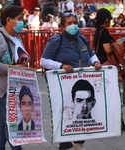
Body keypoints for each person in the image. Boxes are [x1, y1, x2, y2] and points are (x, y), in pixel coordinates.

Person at [40, 10, 101, 150]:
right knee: (67, 113)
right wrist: (61, 66)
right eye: (69, 23)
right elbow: (43, 61)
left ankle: (79, 143)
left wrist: (95, 62)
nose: (73, 25)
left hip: (81, 83)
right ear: (62, 26)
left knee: (82, 115)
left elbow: (91, 55)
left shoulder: (82, 39)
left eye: (75, 23)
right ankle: (65, 144)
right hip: (63, 85)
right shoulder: (56, 40)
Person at [0, 5, 29, 150]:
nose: (23, 22)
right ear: (8, 20)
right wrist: (8, 69)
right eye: (19, 19)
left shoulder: (16, 37)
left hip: (12, 87)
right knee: (11, 121)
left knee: (3, 119)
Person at [94, 8, 125, 131]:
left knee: (105, 94)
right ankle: (119, 123)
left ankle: (111, 121)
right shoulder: (103, 32)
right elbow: (108, 49)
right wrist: (116, 44)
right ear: (106, 19)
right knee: (113, 95)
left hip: (100, 63)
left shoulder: (98, 31)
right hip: (106, 65)